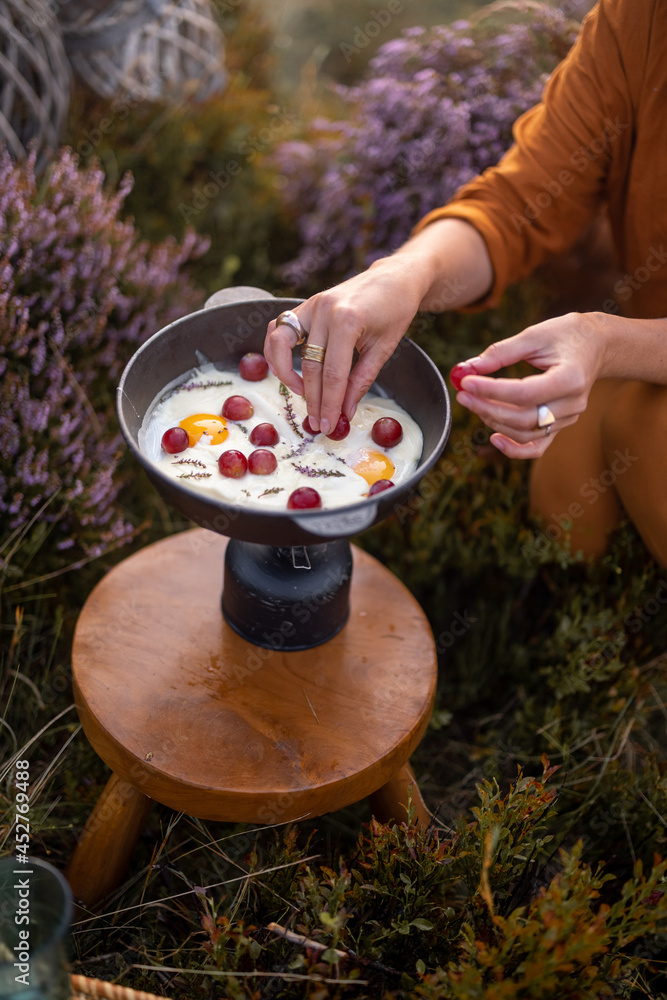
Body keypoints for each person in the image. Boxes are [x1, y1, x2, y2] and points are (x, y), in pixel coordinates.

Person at [264, 0, 667, 566]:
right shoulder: (640, 20)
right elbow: (518, 205)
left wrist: (606, 340)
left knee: (646, 433)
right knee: (567, 509)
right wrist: (405, 273)